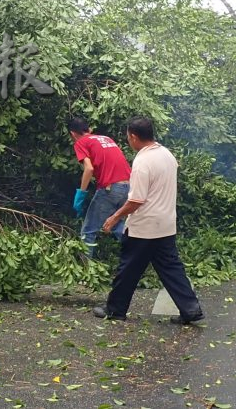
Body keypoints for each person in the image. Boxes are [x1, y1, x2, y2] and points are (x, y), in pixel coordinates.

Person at [92, 116, 204, 325]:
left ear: (133, 136)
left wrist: (115, 217)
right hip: (166, 223)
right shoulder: (166, 154)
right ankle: (191, 309)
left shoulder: (143, 161)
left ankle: (116, 310)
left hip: (144, 227)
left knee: (127, 269)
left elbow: (136, 200)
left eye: (128, 136)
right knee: (172, 269)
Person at [68, 118, 132, 256]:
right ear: (89, 129)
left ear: (73, 134)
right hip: (129, 187)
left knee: (88, 231)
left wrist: (81, 194)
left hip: (111, 188)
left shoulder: (81, 142)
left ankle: (86, 271)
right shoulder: (106, 138)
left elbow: (89, 169)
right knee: (115, 224)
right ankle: (142, 255)